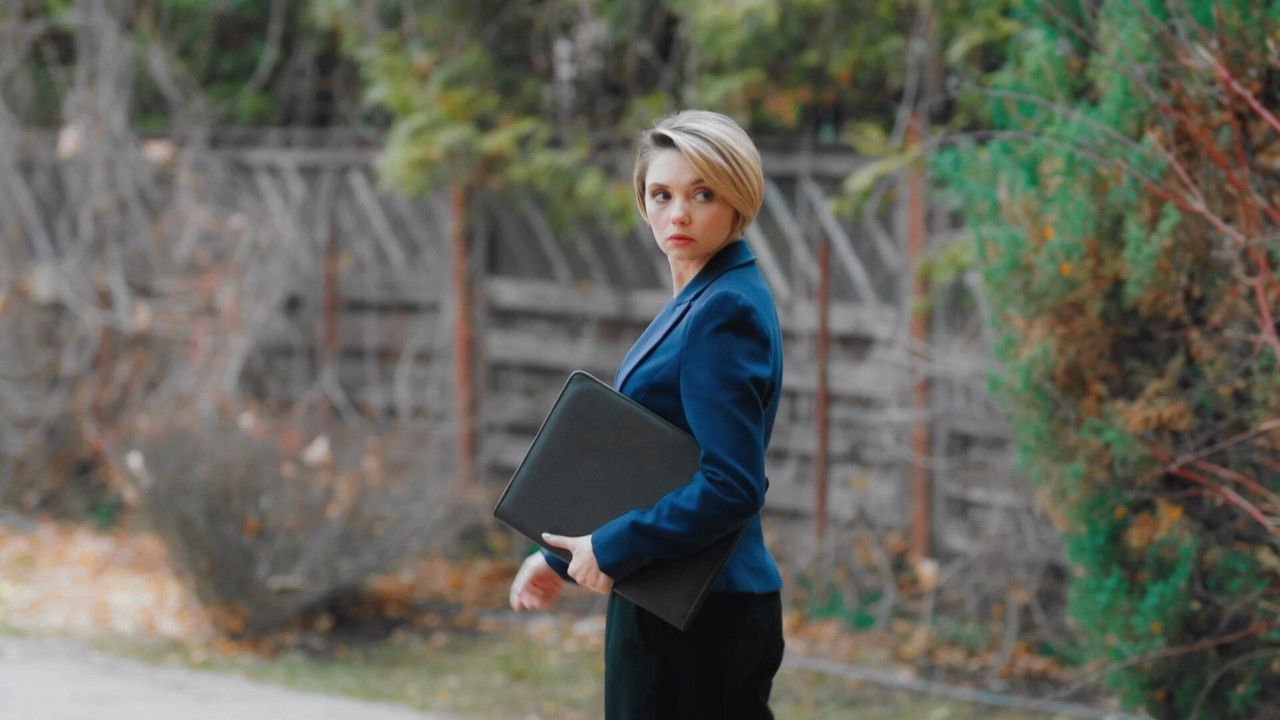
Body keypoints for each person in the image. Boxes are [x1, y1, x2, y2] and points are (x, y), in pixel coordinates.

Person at [508, 109, 785, 720]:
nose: (678, 214)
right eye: (662, 195)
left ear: (738, 199)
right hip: (676, 598)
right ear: (643, 202)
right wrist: (560, 556)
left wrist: (611, 547)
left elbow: (732, 486)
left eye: (703, 194)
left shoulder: (723, 311)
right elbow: (653, 458)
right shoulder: (707, 295)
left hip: (695, 614)